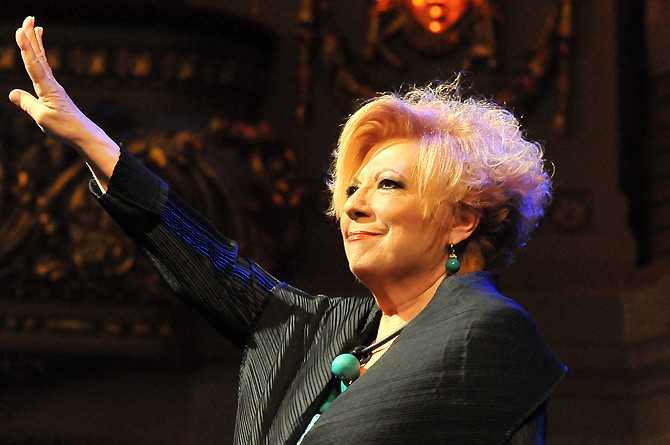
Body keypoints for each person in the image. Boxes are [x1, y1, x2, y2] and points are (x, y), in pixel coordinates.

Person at [9, 16, 566, 445]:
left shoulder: (488, 333)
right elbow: (205, 259)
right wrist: (91, 141)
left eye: (388, 185)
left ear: (463, 219)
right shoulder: (324, 331)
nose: (353, 207)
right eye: (351, 190)